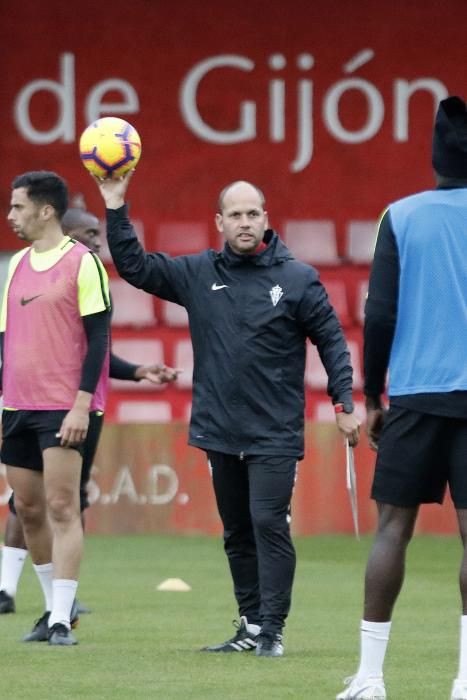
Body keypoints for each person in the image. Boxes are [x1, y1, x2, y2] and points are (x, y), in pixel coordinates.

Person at [93, 173, 360, 657]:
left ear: (266, 219)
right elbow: (134, 266)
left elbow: (333, 342)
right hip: (219, 428)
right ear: (219, 222)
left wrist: (343, 403)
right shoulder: (198, 273)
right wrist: (115, 205)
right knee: (237, 531)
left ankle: (273, 632)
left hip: (274, 431)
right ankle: (251, 626)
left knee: (267, 523)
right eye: (234, 214)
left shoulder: (298, 279)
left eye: (252, 213)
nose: (244, 222)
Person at [336, 95, 467, 700]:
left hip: (416, 394)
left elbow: (379, 313)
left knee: (393, 529)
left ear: (434, 157)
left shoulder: (402, 215)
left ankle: (370, 678)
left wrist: (372, 396)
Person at [0, 206, 180, 618]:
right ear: (64, 232)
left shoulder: (89, 279)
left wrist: (137, 371)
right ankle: (15, 590)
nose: (99, 244)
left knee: (65, 500)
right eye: (90, 235)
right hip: (45, 402)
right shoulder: (36, 272)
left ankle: (56, 602)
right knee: (28, 501)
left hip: (83, 406)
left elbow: (95, 351)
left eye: (100, 237)